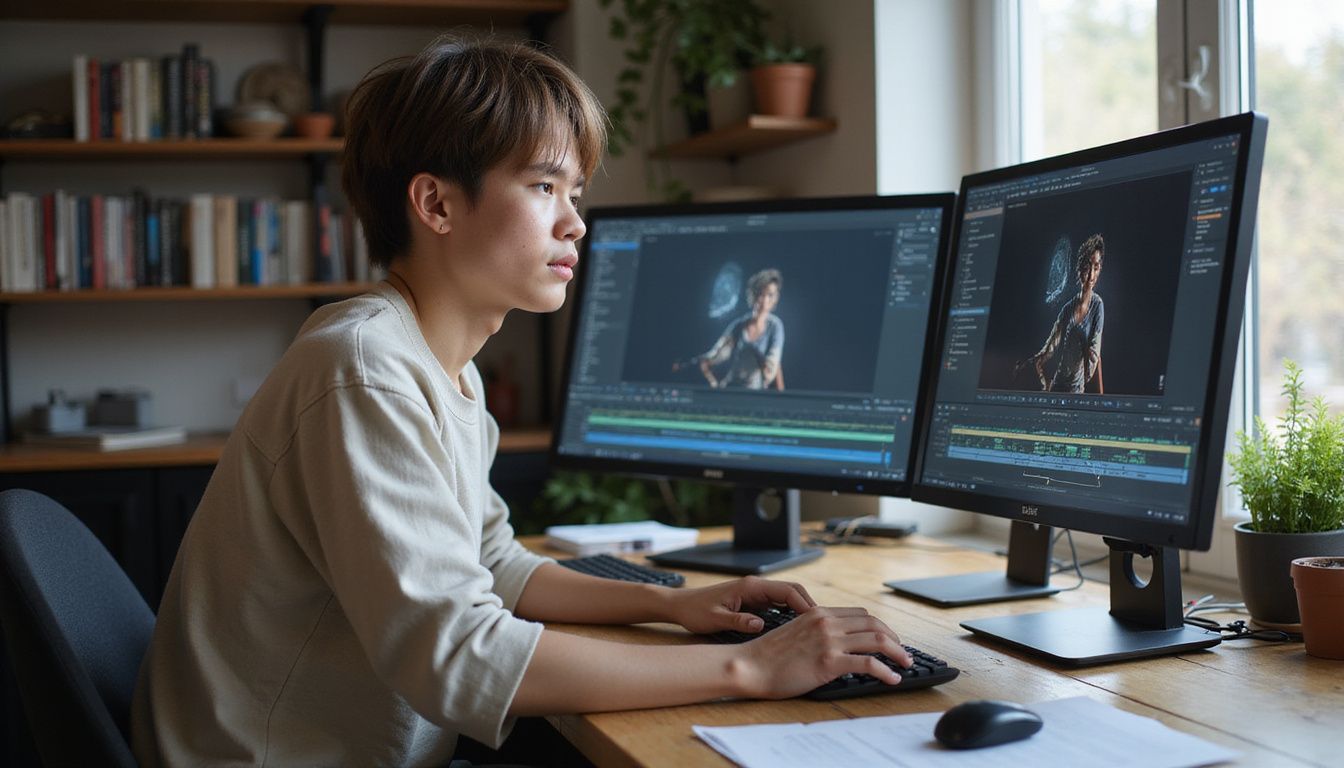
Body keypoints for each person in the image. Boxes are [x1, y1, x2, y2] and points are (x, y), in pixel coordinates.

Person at [131, 37, 910, 767]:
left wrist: (679, 605)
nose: (575, 222)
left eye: (574, 191)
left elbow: (495, 564)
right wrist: (748, 666)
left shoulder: (443, 371)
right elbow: (456, 654)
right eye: (544, 187)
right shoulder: (365, 371)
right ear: (435, 205)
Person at [1018, 234, 1106, 393]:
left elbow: (1092, 362)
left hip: (1076, 391)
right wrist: (1034, 361)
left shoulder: (1097, 306)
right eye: (1087, 268)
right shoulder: (1067, 309)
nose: (1091, 276)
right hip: (1057, 386)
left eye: (1096, 267)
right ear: (1079, 269)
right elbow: (1050, 347)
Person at [679, 268, 786, 389]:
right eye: (761, 294)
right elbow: (716, 355)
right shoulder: (738, 326)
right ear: (754, 294)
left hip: (756, 392)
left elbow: (772, 368)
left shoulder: (775, 327)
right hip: (732, 389)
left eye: (770, 295)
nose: (765, 300)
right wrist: (695, 363)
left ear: (775, 298)